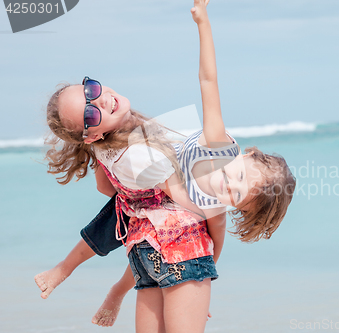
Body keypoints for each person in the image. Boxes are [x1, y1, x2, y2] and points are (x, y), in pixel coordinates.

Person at [35, 0, 296, 330]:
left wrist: (206, 274)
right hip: (149, 172)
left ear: (237, 206)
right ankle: (99, 280)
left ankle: (115, 289)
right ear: (241, 153)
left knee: (137, 217)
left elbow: (215, 242)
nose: (229, 186)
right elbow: (208, 82)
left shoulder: (214, 205)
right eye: (239, 175)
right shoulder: (216, 145)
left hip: (149, 226)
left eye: (237, 195)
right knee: (121, 212)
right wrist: (203, 24)